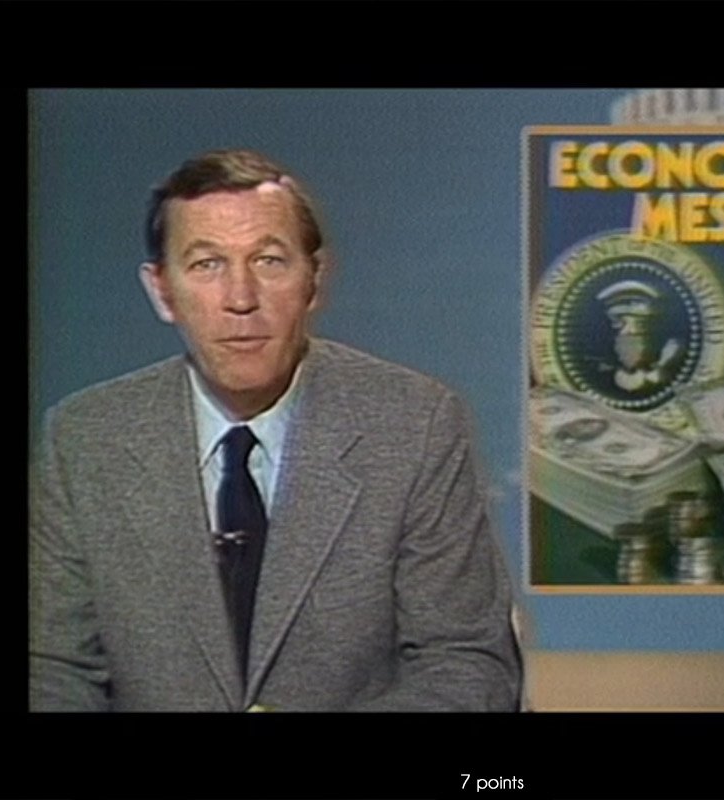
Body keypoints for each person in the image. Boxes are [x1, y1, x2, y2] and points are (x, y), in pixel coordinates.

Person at [29, 149, 522, 711]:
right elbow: (53, 669)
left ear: (314, 278)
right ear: (162, 291)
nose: (241, 299)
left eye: (268, 261)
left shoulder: (415, 425)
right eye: (207, 265)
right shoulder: (85, 439)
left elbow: (466, 663)